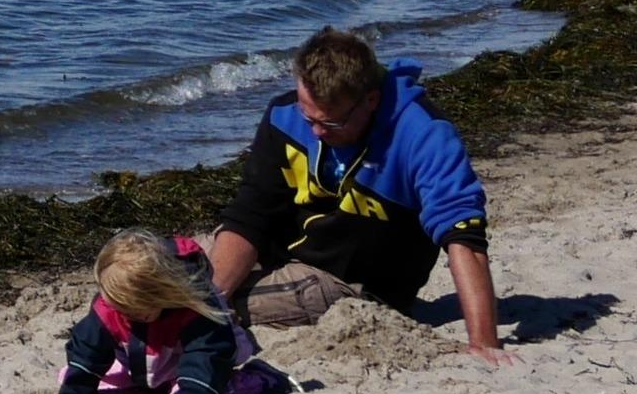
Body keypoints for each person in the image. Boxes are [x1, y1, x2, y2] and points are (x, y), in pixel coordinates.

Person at [206, 28, 504, 359]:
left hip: (352, 285)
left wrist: (484, 343)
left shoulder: (424, 135)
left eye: (330, 124)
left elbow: (464, 236)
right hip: (283, 253)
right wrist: (210, 295)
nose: (316, 131)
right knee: (183, 283)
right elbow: (250, 216)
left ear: (370, 100)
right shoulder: (284, 116)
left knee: (195, 306)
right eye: (308, 116)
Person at [56, 231, 255, 394]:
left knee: (211, 392)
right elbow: (87, 353)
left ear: (159, 295)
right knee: (72, 375)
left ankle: (257, 377)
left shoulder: (193, 309)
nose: (125, 314)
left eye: (134, 310)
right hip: (140, 360)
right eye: (120, 308)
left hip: (183, 363)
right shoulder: (110, 308)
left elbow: (206, 356)